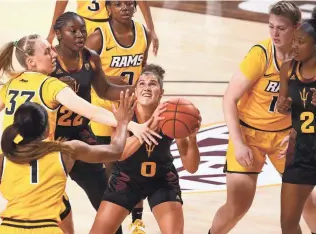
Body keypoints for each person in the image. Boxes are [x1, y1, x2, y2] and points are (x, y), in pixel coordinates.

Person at [0, 34, 161, 233]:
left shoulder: (12, 83)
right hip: (43, 158)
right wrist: (130, 125)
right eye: (47, 51)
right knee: (71, 204)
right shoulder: (50, 85)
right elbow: (92, 111)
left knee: (54, 206)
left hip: (12, 161)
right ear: (31, 61)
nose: (53, 54)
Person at [209, 1, 316, 234]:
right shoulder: (261, 54)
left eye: (282, 28)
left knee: (309, 203)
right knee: (238, 205)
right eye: (271, 27)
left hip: (285, 138)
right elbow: (229, 99)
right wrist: (238, 144)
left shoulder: (306, 58)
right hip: (249, 134)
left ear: (297, 28)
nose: (275, 33)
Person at [0, 97, 135, 234]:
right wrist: (122, 123)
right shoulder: (66, 152)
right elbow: (116, 150)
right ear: (47, 129)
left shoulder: (3, 160)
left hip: (8, 229)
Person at [89, 64, 201, 234]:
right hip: (127, 179)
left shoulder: (172, 116)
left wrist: (192, 138)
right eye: (141, 84)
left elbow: (191, 167)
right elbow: (120, 153)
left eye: (152, 84)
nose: (146, 88)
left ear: (161, 93)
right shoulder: (125, 113)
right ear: (135, 90)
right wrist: (150, 126)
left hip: (162, 180)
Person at [85, 1, 150, 231]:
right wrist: (118, 85)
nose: (125, 7)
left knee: (135, 163)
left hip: (132, 107)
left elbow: (143, 69)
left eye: (129, 3)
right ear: (108, 8)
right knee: (114, 171)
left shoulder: (144, 33)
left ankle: (138, 221)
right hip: (104, 110)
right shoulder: (97, 38)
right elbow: (89, 78)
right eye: (118, 4)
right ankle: (115, 222)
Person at [276, 7, 316, 234]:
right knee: (288, 223)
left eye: (301, 42)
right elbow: (284, 105)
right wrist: (283, 105)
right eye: (294, 41)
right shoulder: (288, 69)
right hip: (300, 151)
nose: (294, 46)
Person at [47, 0, 159, 56]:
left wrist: (151, 29)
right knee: (78, 68)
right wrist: (52, 32)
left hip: (111, 25)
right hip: (83, 25)